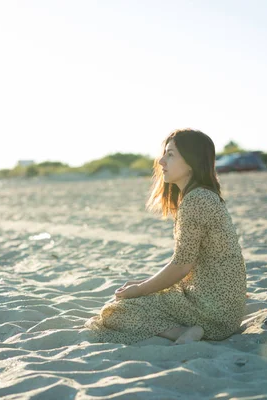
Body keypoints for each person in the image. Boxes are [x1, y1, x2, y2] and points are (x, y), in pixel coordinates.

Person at [84, 128, 247, 345]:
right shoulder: (202, 196)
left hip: (211, 310)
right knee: (134, 299)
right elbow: (185, 263)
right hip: (222, 308)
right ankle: (184, 329)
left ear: (192, 161)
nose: (161, 161)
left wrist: (141, 289)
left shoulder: (196, 200)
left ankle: (179, 332)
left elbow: (181, 266)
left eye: (170, 154)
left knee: (114, 312)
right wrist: (143, 284)